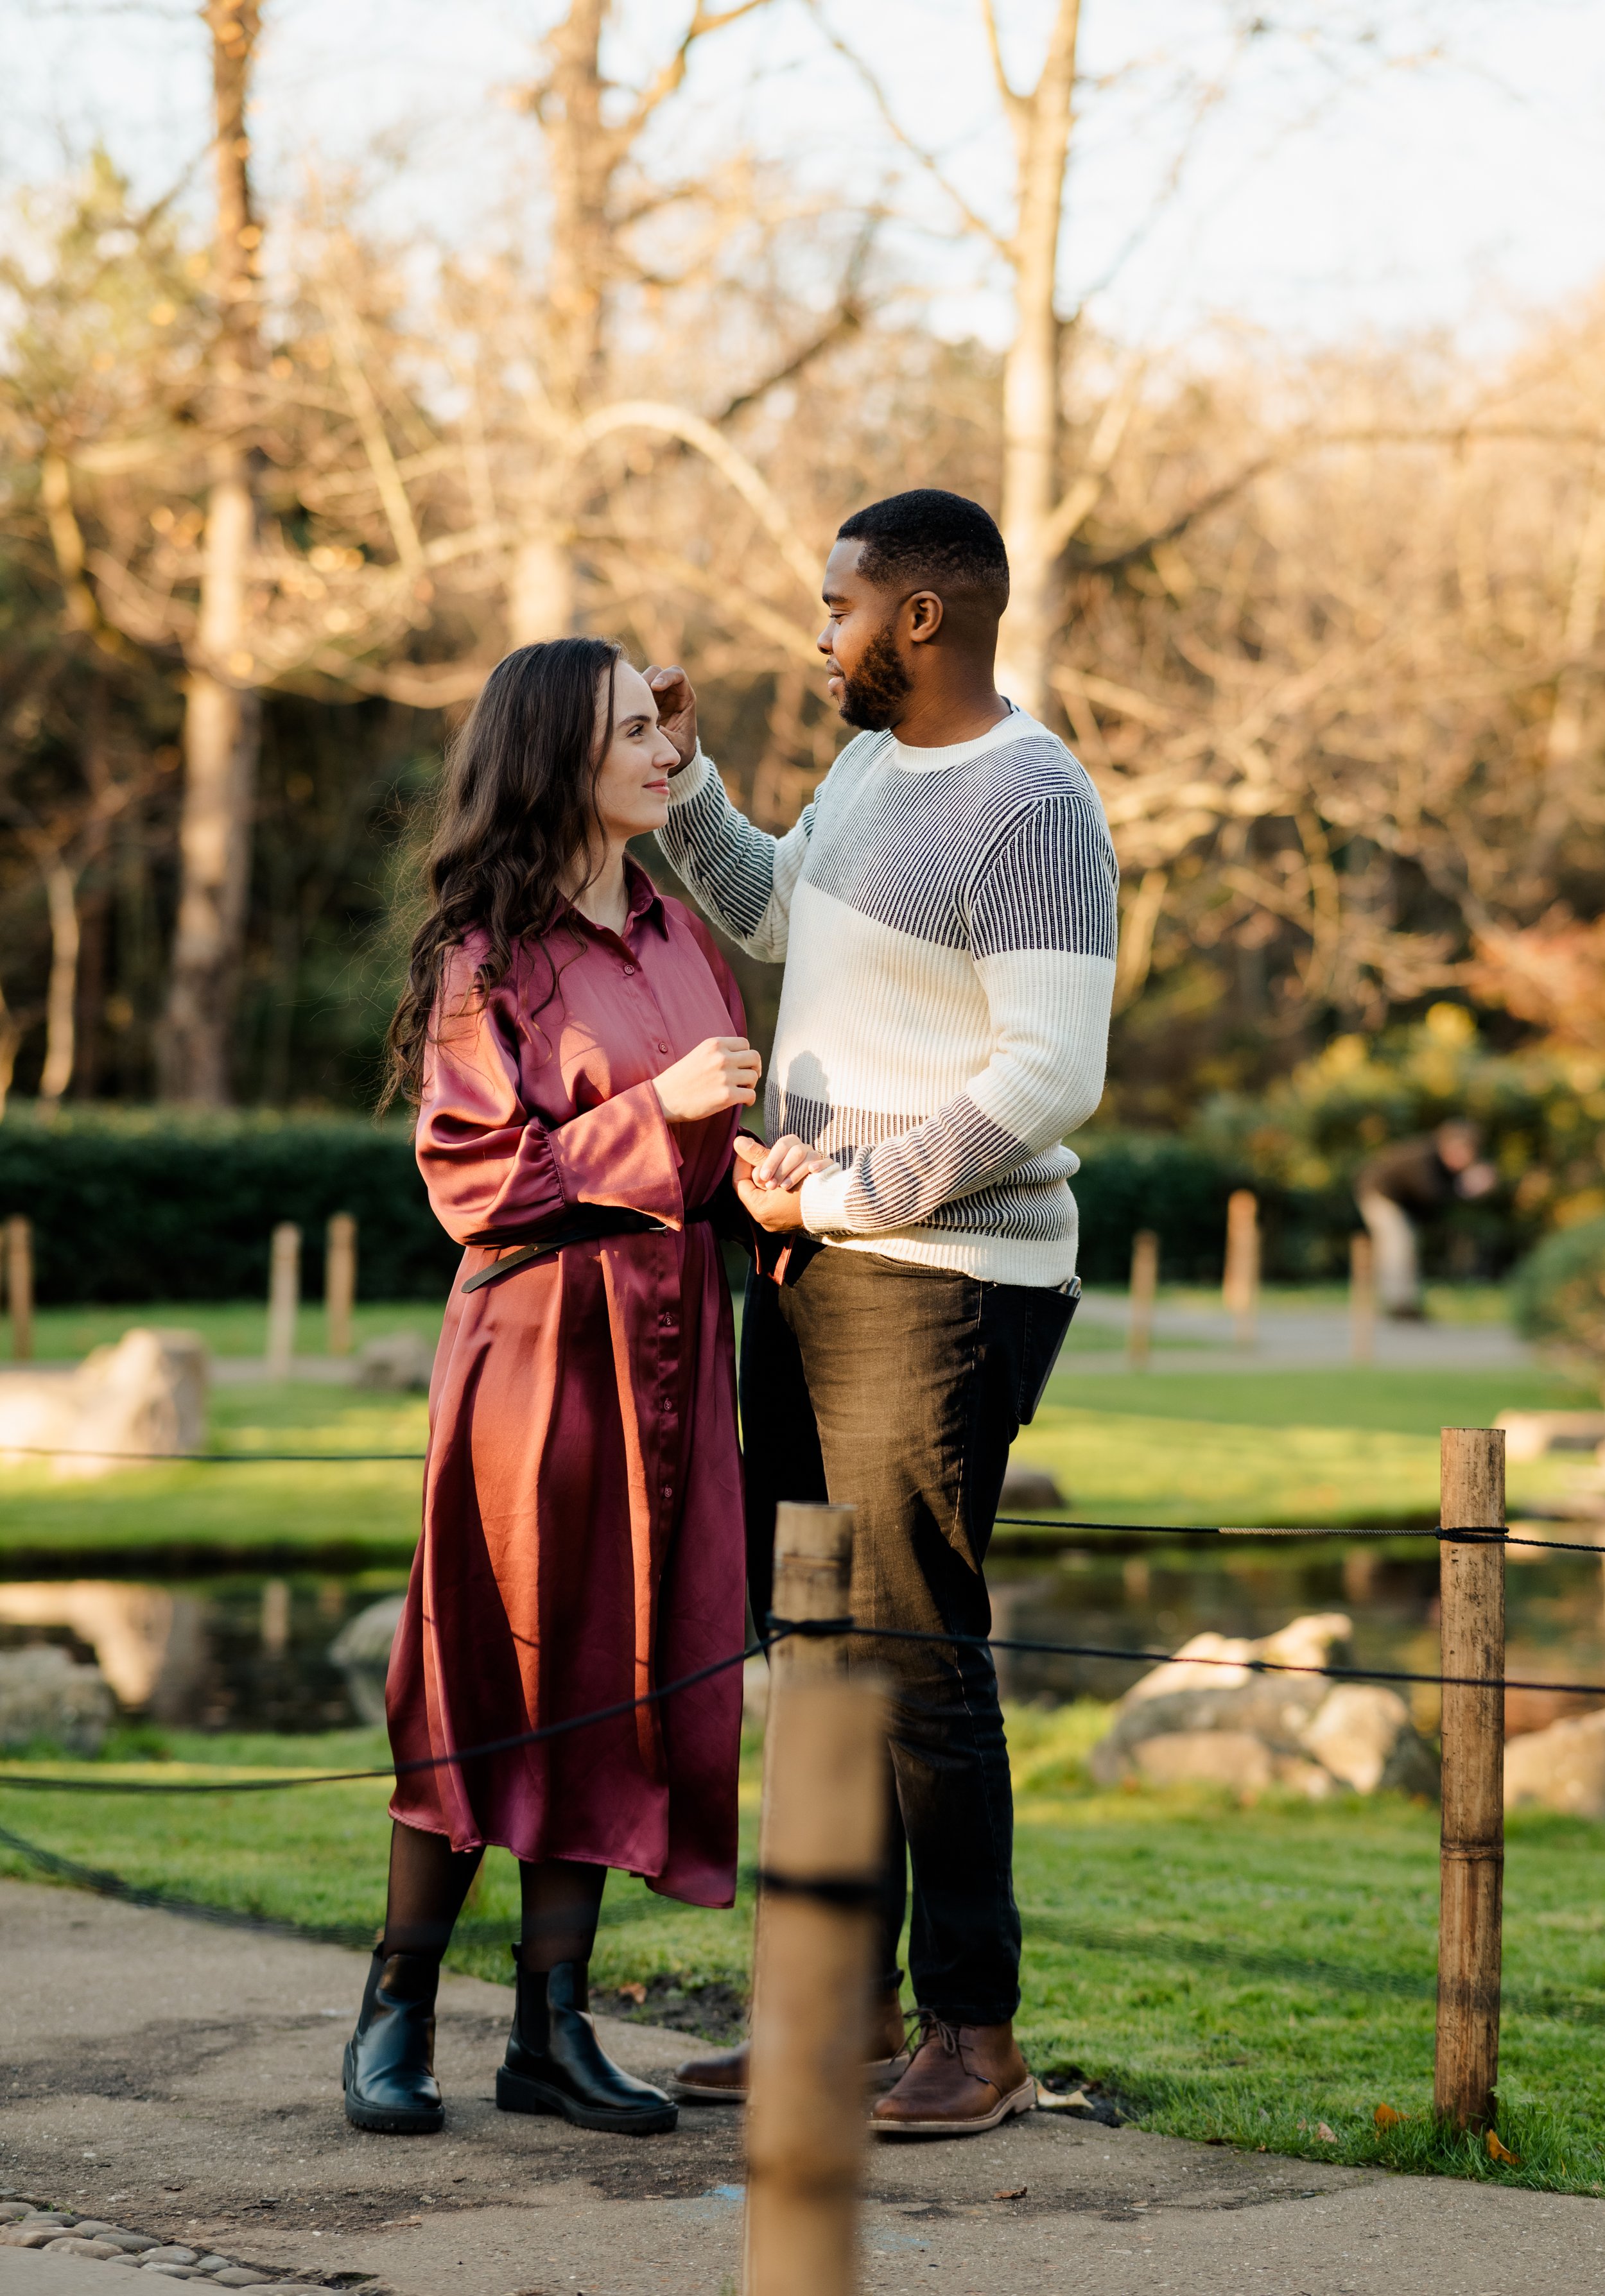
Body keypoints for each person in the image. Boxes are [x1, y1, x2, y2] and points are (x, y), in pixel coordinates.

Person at [648, 488, 1119, 2137]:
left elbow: (1051, 1069)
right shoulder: (864, 772)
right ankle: (836, 2014)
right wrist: (681, 787)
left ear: (923, 616)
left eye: (837, 601)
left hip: (940, 1287)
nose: (818, 627)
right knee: (825, 1650)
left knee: (918, 1655)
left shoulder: (1036, 803)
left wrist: (849, 1191)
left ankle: (972, 2032)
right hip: (810, 1270)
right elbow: (779, 910)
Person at [342, 636, 761, 2139]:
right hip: (536, 1354)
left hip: (668, 1354)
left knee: (617, 1668)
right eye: (631, 733)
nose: (665, 751)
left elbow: (694, 1161)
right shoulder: (489, 954)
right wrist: (662, 1115)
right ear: (550, 761)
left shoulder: (674, 936)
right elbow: (473, 1182)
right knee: (491, 1667)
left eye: (661, 723)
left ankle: (552, 2031)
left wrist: (750, 1181)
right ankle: (395, 2012)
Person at [1355, 1119, 1497, 1318]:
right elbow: (1432, 1196)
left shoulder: (1444, 1164)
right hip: (1379, 1194)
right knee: (1398, 1243)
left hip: (1397, 1201)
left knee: (1407, 1244)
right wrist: (1465, 1188)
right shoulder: (1425, 1159)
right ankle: (1396, 1303)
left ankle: (1406, 1302)